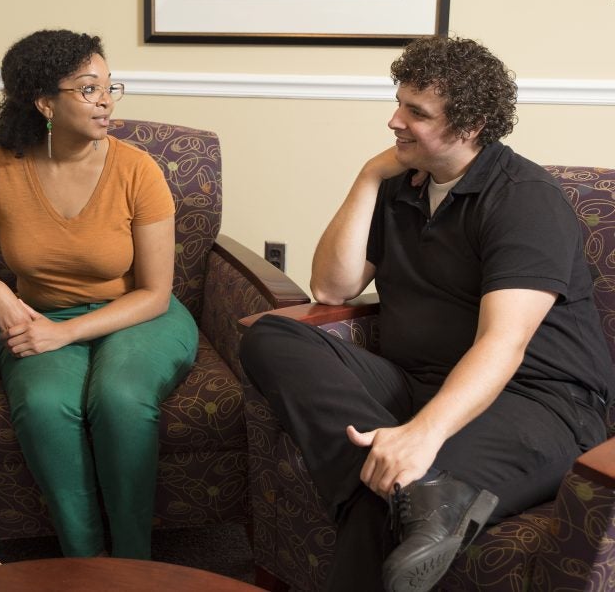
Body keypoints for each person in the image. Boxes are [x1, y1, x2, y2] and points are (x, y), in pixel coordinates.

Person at [240, 36, 614, 592]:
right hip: (417, 381)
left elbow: (502, 345)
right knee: (272, 336)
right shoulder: (399, 187)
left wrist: (420, 437)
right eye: (398, 103)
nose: (394, 120)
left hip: (539, 401)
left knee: (383, 493)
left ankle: (406, 487)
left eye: (416, 112)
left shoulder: (524, 199)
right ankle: (416, 489)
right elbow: (331, 284)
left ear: (470, 124)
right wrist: (368, 176)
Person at [0, 29, 198, 559]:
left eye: (111, 87)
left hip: (138, 316)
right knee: (44, 405)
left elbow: (157, 293)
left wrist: (63, 332)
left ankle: (134, 565)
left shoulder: (137, 168)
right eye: (89, 89)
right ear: (46, 102)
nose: (106, 101)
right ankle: (85, 566)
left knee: (119, 399)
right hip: (38, 315)